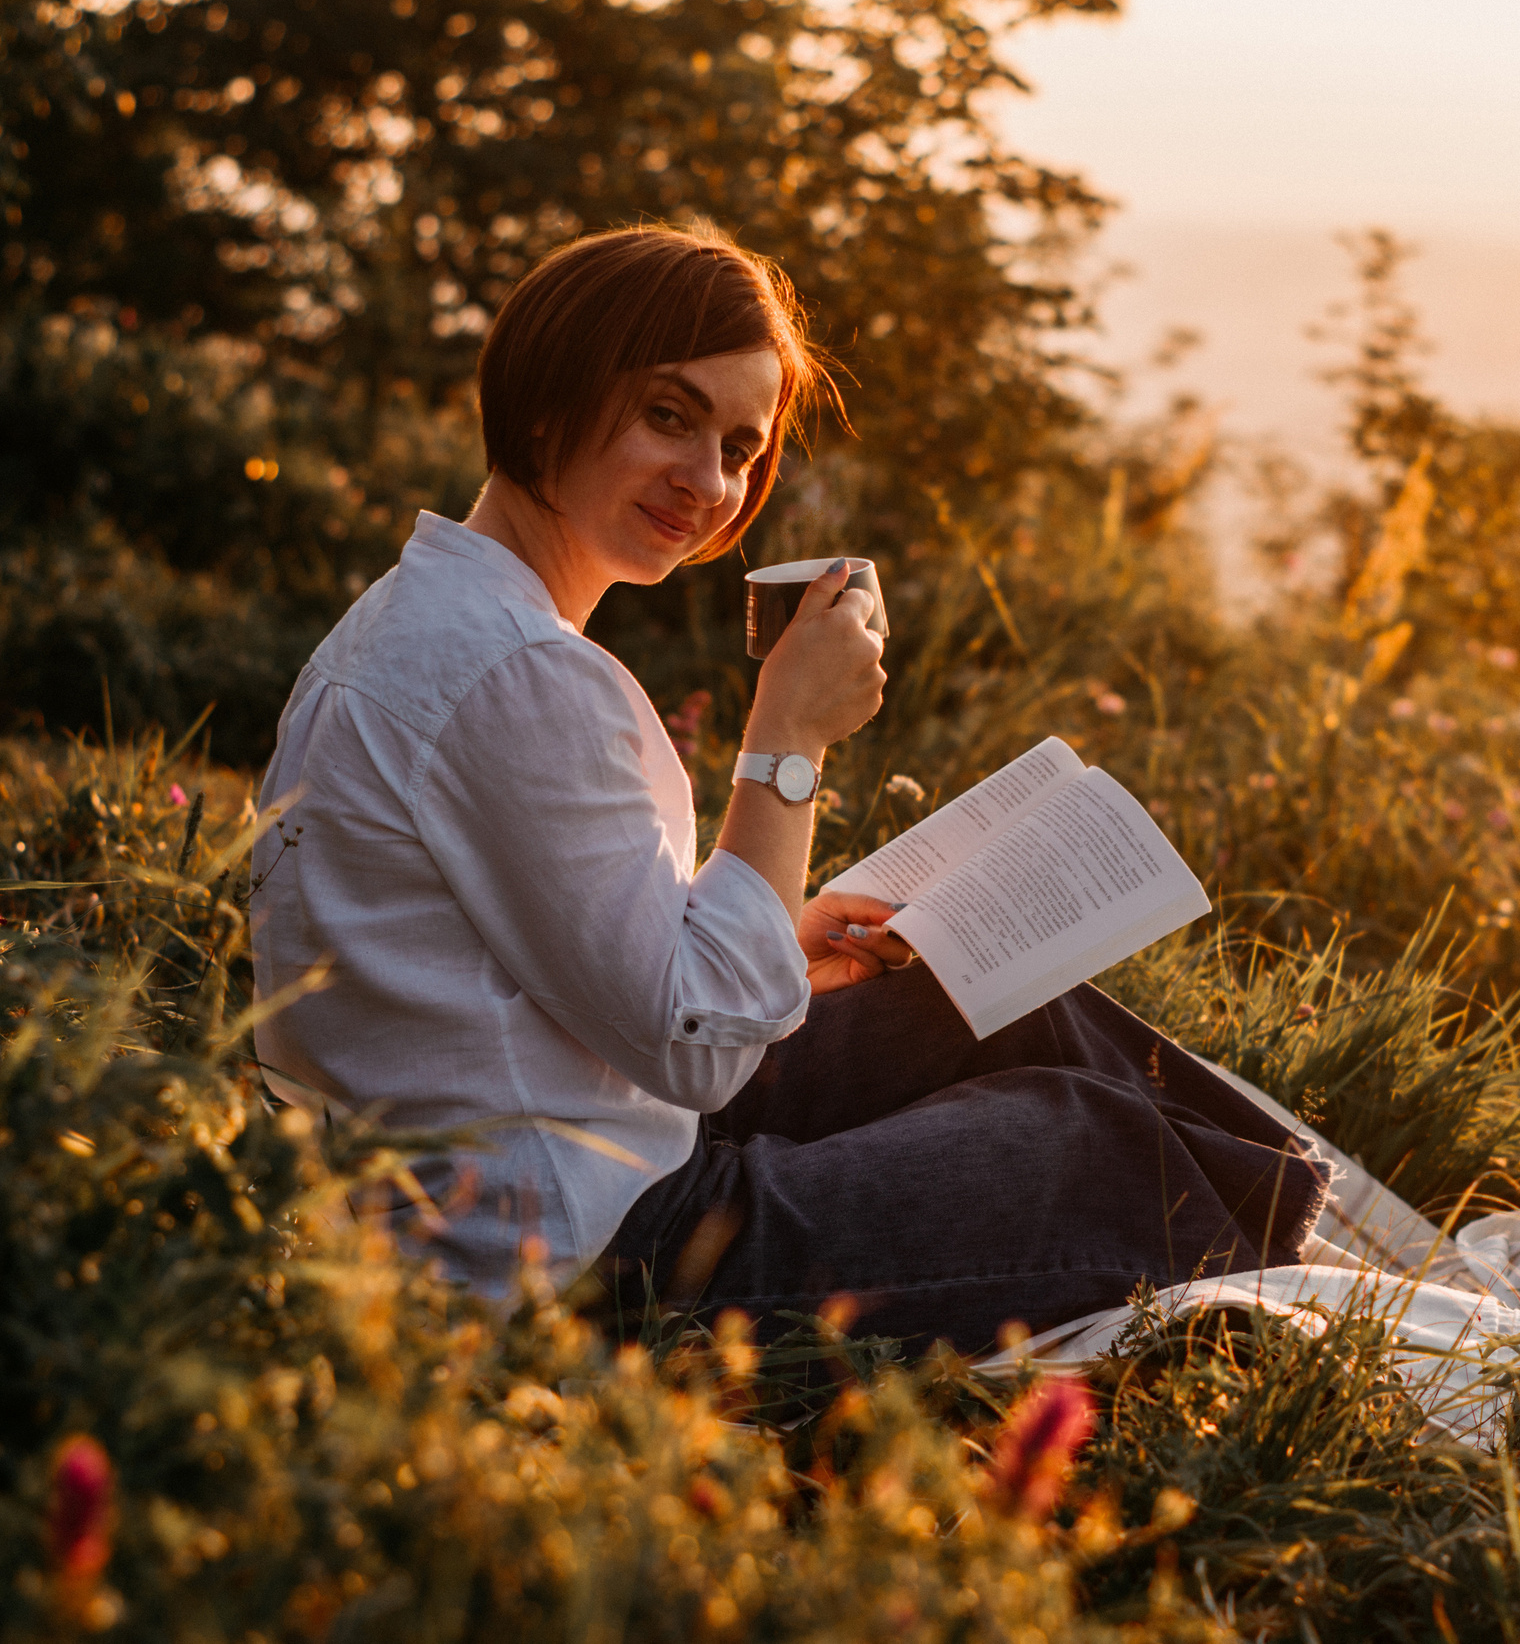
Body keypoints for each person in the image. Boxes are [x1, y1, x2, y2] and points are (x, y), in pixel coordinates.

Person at [250, 222, 1327, 1356]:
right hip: (584, 1259)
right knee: (1091, 1141)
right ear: (544, 403)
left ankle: (1304, 1242)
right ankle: (1344, 1308)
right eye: (668, 416)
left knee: (1004, 999)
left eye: (738, 445)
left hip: (578, 1148)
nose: (706, 481)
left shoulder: (431, 617)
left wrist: (776, 932)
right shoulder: (521, 676)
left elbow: (559, 942)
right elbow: (702, 1045)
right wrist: (787, 736)